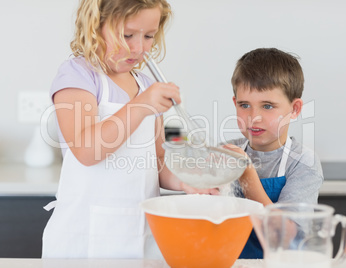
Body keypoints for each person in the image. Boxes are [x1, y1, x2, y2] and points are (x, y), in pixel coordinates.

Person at [42, 0, 217, 259]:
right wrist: (141, 105)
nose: (139, 48)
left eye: (148, 36)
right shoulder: (78, 76)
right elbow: (86, 150)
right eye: (127, 35)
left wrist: (186, 179)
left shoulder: (145, 84)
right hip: (85, 239)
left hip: (142, 235)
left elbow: (156, 159)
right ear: (95, 26)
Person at [223, 48, 324, 259]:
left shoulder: (303, 163)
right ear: (235, 104)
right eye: (244, 105)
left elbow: (285, 236)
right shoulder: (226, 151)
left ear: (294, 109)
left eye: (267, 106)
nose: (254, 117)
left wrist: (247, 176)